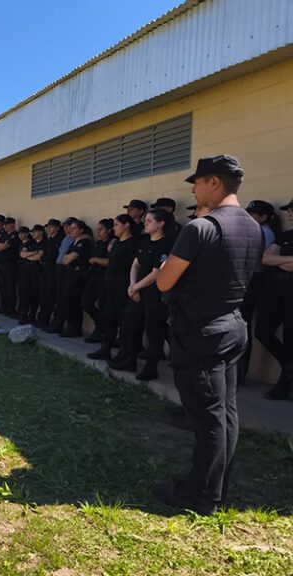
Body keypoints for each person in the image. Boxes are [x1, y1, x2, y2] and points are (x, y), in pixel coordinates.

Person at [153, 155, 263, 516]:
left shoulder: (200, 228)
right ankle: (215, 486)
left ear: (214, 183)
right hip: (233, 324)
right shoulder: (252, 226)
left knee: (207, 418)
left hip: (201, 331)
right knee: (225, 413)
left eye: (197, 183)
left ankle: (201, 496)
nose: (195, 189)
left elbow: (165, 280)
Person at [116, 209, 175, 378]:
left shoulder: (166, 244)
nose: (145, 223)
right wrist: (133, 286)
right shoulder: (144, 241)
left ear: (161, 224)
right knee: (130, 325)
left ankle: (151, 367)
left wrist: (136, 288)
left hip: (154, 294)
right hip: (138, 291)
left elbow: (157, 273)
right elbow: (135, 264)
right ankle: (129, 359)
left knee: (153, 330)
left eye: (149, 221)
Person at [238, 200, 280, 387]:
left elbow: (257, 259)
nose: (249, 216)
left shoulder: (265, 232)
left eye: (253, 214)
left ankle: (239, 373)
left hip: (254, 280)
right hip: (249, 279)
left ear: (263, 217)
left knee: (241, 327)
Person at [255, 198, 293, 399]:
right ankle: (289, 365)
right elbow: (266, 258)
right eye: (289, 210)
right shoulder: (284, 236)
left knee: (290, 338)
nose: (290, 213)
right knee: (262, 330)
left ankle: (284, 383)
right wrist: (288, 261)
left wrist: (279, 261)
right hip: (274, 291)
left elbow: (274, 260)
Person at [87, 215, 138, 361]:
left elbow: (134, 267)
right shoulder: (115, 243)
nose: (114, 228)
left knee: (124, 321)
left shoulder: (132, 243)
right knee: (109, 318)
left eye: (116, 225)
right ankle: (105, 348)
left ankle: (124, 353)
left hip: (123, 288)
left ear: (126, 225)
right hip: (110, 286)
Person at [55, 220, 92, 337]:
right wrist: (68, 258)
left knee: (73, 302)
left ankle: (74, 329)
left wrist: (68, 258)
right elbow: (64, 258)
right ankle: (70, 327)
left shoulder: (84, 241)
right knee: (67, 301)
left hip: (78, 276)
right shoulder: (73, 242)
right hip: (69, 274)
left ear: (81, 230)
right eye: (70, 228)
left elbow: (71, 257)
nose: (71, 230)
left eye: (74, 228)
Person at [83, 218, 114, 343]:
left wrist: (96, 260)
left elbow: (111, 262)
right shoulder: (98, 243)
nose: (98, 232)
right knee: (86, 303)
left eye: (101, 229)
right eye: (97, 230)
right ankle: (99, 324)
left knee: (103, 307)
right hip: (93, 277)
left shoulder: (111, 244)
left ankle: (100, 331)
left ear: (109, 230)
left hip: (105, 279)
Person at [45, 218, 77, 332]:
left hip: (66, 268)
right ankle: (55, 323)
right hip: (58, 268)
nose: (66, 228)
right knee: (58, 297)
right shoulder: (66, 238)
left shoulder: (76, 239)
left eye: (69, 226)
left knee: (63, 298)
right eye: (65, 226)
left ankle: (59, 324)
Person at [36, 219, 63, 328]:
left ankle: (46, 320)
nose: (49, 229)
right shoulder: (48, 240)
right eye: (48, 227)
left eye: (51, 227)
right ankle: (41, 318)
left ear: (57, 228)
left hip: (52, 270)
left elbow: (54, 256)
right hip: (45, 269)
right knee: (42, 295)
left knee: (49, 297)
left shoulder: (59, 240)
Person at [0, 217, 19, 317]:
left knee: (10, 287)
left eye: (7, 224)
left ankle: (11, 309)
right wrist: (0, 245)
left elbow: (4, 247)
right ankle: (3, 307)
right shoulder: (4, 235)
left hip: (10, 264)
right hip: (1, 264)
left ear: (12, 224)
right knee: (2, 287)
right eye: (4, 224)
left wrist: (1, 246)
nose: (5, 226)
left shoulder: (14, 235)